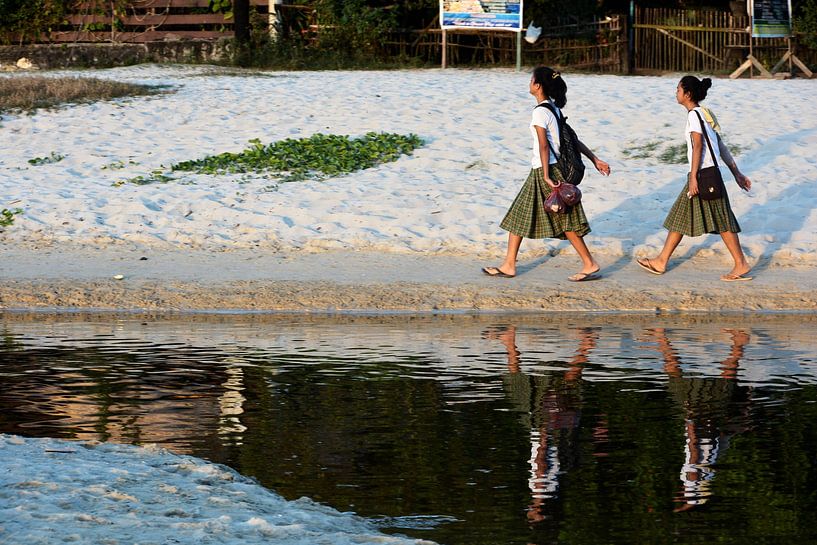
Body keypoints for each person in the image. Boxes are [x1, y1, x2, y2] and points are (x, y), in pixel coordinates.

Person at [482, 66, 611, 282]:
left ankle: (589, 263)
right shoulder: (553, 109)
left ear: (538, 85)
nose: (529, 82)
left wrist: (545, 176)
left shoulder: (540, 112)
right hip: (548, 169)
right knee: (522, 215)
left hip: (546, 170)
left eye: (532, 79)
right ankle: (509, 264)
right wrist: (594, 159)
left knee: (562, 220)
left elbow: (543, 145)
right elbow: (573, 140)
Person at [636, 76, 754, 282]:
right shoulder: (705, 114)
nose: (676, 92)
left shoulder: (693, 116)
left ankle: (741, 263)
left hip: (703, 175)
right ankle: (661, 260)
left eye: (678, 89)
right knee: (683, 215)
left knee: (722, 219)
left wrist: (693, 177)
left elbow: (698, 145)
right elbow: (722, 147)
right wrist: (737, 173)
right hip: (710, 173)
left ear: (687, 94)